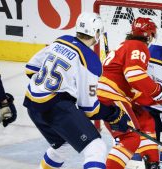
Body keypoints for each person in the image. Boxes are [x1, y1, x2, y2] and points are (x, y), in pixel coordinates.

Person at [23, 12, 130, 169]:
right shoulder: (91, 61)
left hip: (32, 106)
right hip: (57, 109)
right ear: (96, 32)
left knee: (62, 147)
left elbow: (30, 69)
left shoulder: (61, 40)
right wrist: (113, 114)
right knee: (96, 147)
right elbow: (91, 110)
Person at [97, 17, 162, 169]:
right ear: (148, 35)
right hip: (112, 97)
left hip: (111, 96)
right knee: (130, 138)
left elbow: (135, 92)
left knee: (145, 120)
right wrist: (161, 94)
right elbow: (135, 76)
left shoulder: (127, 45)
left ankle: (153, 164)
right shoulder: (138, 46)